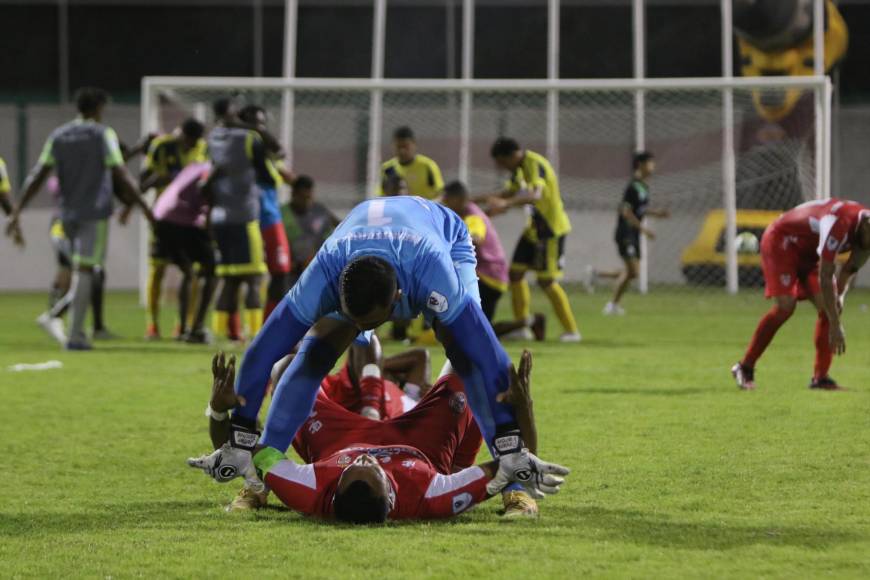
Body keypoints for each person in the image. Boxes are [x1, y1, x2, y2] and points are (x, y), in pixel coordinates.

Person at [188, 196, 566, 515]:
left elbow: (485, 351)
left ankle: (515, 484)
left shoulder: (433, 272)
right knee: (313, 353)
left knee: (464, 354)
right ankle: (256, 488)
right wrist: (239, 438)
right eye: (356, 322)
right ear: (338, 296)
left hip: (441, 240)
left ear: (399, 302)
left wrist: (512, 448)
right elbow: (263, 352)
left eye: (371, 323)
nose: (363, 332)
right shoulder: (325, 273)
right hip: (355, 252)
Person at [189, 350, 568, 522]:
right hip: (422, 443)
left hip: (338, 437)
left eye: (352, 467)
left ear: (335, 487)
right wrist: (526, 405)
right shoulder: (429, 497)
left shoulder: (308, 488)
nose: (366, 458)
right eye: (372, 467)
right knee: (472, 361)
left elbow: (236, 449)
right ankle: (514, 495)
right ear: (390, 492)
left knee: (286, 368)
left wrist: (219, 410)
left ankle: (256, 490)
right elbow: (514, 461)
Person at [5, 87, 153, 350]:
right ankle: (73, 333)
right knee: (86, 270)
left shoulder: (59, 135)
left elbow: (38, 173)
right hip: (93, 214)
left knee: (80, 271)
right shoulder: (102, 134)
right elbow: (120, 172)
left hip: (65, 214)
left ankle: (57, 317)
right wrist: (145, 208)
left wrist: (18, 210)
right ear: (98, 108)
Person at [732, 198, 870, 391]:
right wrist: (836, 324)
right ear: (865, 225)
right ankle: (745, 367)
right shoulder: (838, 223)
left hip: (809, 253)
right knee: (786, 307)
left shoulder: (866, 235)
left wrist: (838, 301)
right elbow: (826, 274)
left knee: (830, 307)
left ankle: (820, 378)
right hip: (782, 240)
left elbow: (847, 273)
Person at [482, 137, 580, 342]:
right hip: (533, 230)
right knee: (515, 274)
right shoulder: (519, 170)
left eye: (501, 162)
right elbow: (507, 193)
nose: (501, 167)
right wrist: (475, 203)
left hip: (550, 231)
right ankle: (522, 326)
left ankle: (571, 331)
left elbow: (534, 196)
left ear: (510, 156)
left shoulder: (535, 164)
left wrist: (505, 204)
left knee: (546, 281)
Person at [441, 180, 545, 340]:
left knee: (474, 331)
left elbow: (476, 238)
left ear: (459, 199)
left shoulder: (472, 216)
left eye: (447, 200)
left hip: (488, 278)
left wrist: (449, 242)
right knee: (479, 329)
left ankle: (527, 324)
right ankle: (529, 322)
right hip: (492, 276)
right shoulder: (469, 212)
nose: (444, 203)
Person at [205, 98, 271, 342]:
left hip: (220, 217)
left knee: (229, 279)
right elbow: (269, 167)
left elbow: (206, 181)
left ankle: (219, 332)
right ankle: (255, 333)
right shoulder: (247, 139)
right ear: (232, 113)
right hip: (244, 216)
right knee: (255, 278)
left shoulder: (211, 139)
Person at [141, 118, 208, 340]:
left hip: (189, 221)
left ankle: (183, 324)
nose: (192, 145)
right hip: (164, 219)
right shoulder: (161, 146)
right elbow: (145, 179)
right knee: (158, 269)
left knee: (192, 272)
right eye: (190, 141)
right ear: (182, 135)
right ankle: (152, 325)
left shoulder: (201, 148)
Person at [589, 151, 670, 315]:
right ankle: (612, 305)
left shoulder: (644, 186)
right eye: (650, 163)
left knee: (634, 273)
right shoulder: (632, 186)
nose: (653, 166)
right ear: (640, 165)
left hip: (633, 233)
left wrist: (657, 213)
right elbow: (625, 211)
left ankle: (597, 275)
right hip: (625, 232)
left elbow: (641, 209)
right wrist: (644, 229)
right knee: (632, 272)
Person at [238, 105, 294, 321]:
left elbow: (281, 155)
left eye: (261, 123)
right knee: (239, 276)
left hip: (270, 218)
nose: (257, 127)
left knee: (280, 270)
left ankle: (268, 322)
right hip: (244, 219)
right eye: (253, 122)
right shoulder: (236, 149)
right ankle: (233, 331)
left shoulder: (265, 151)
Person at [150, 162, 217, 343]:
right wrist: (210, 225)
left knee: (189, 273)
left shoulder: (195, 166)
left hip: (162, 217)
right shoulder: (212, 170)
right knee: (212, 271)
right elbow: (205, 189)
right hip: (182, 220)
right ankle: (197, 328)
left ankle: (183, 329)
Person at [280, 175, 340, 287]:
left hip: (316, 268)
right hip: (290, 271)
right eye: (303, 198)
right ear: (293, 194)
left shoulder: (320, 211)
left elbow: (341, 226)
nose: (307, 203)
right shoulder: (282, 214)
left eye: (309, 198)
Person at [377, 126, 443, 199]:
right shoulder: (387, 169)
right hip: (398, 209)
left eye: (406, 146)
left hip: (423, 209)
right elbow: (381, 195)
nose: (402, 151)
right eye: (398, 146)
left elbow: (440, 193)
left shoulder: (427, 165)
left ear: (414, 145)